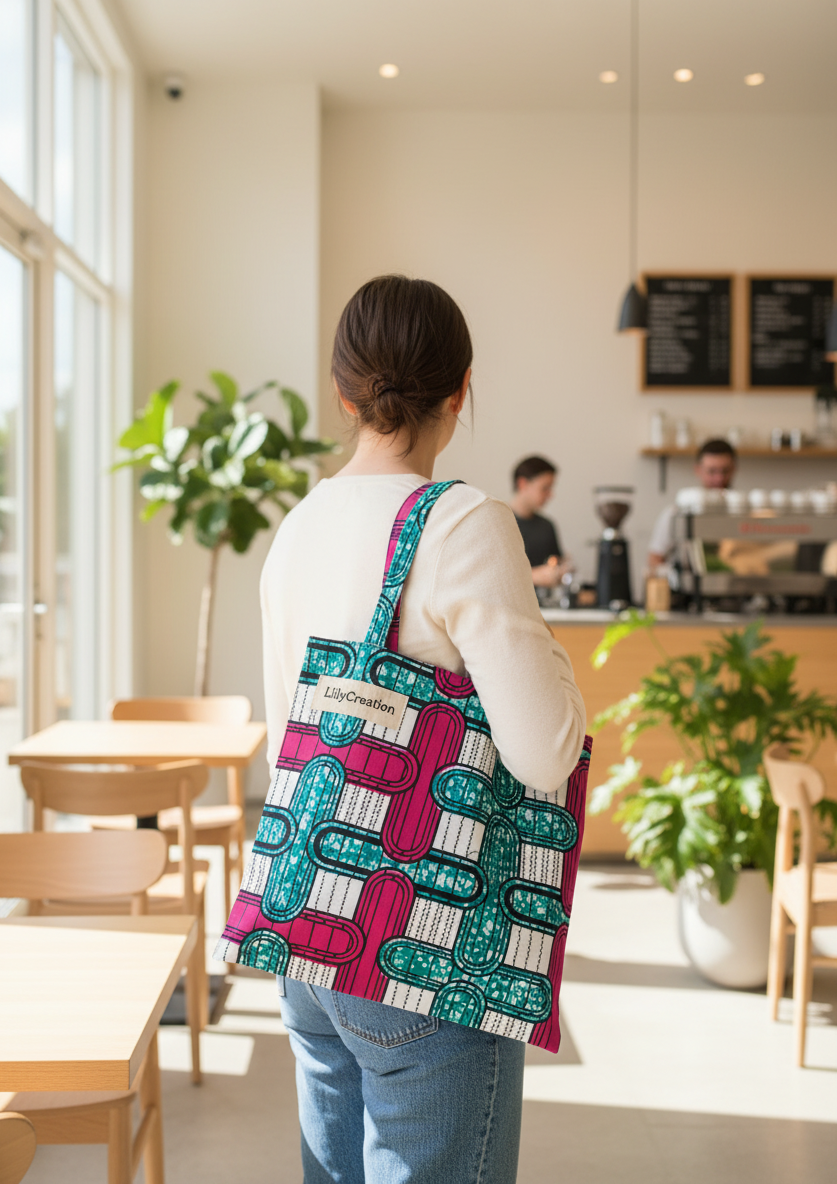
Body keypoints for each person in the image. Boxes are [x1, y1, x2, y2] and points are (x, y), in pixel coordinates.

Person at [259, 275, 587, 1184]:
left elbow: (294, 723)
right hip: (419, 942)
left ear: (343, 390)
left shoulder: (298, 525)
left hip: (308, 924)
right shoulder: (464, 524)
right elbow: (542, 749)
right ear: (462, 387)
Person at [647, 438, 737, 569]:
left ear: (734, 469)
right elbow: (654, 559)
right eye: (712, 471)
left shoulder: (743, 514)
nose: (719, 478)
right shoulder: (675, 513)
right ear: (698, 470)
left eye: (725, 471)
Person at [510, 455, 569, 589]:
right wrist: (533, 576)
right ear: (522, 484)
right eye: (545, 488)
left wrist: (560, 571)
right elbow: (493, 575)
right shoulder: (499, 523)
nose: (551, 495)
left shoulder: (547, 526)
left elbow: (557, 562)